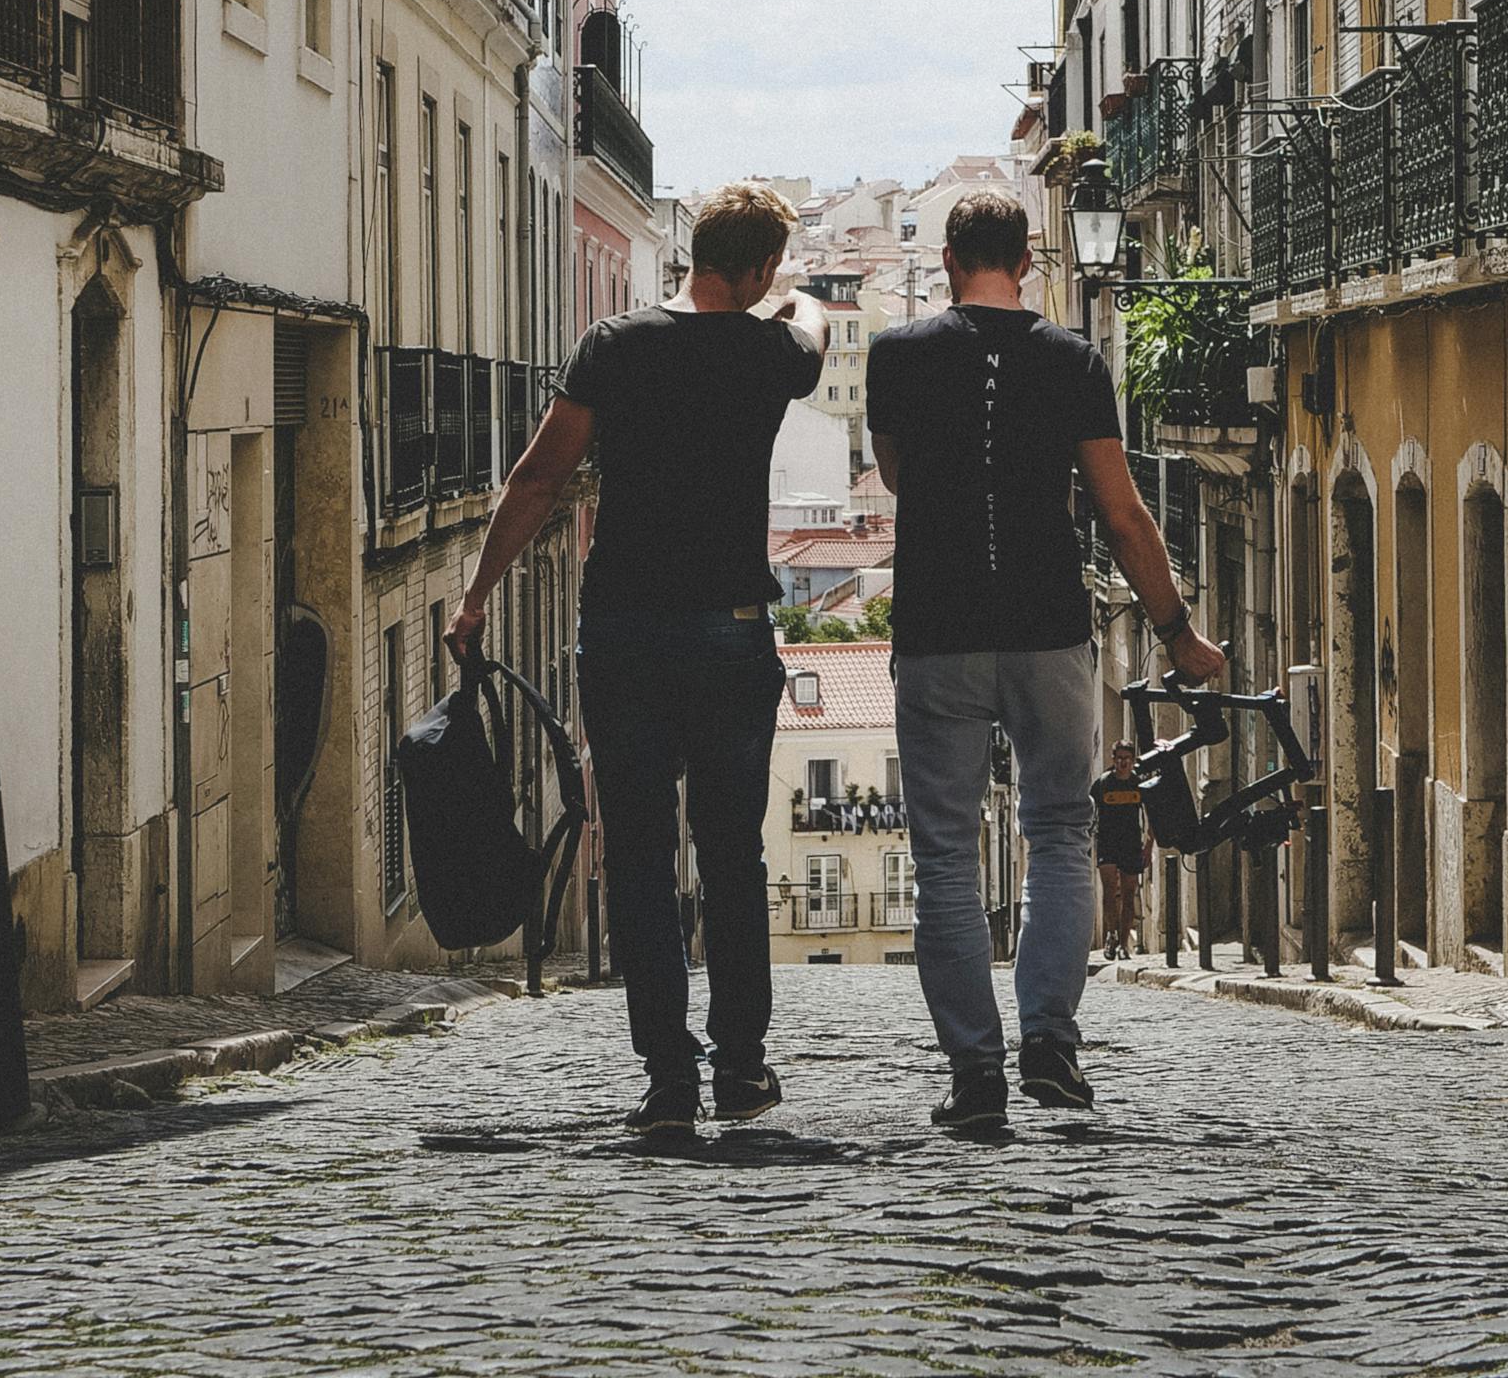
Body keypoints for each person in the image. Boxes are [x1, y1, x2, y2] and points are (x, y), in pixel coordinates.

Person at [446, 183, 825, 1136]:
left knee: (641, 859)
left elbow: (537, 478)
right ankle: (741, 1067)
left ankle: (667, 1080)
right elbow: (813, 327)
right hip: (732, 630)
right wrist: (791, 298)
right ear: (757, 270)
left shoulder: (613, 347)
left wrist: (478, 595)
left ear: (692, 256)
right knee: (733, 856)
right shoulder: (770, 348)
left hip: (623, 630)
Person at [867, 191, 1225, 1131]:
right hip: (1050, 628)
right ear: (1028, 261)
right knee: (1061, 833)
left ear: (947, 259)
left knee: (945, 855)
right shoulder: (1074, 361)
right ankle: (1051, 1046)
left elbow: (899, 475)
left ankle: (975, 1074)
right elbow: (1121, 509)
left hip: (938, 630)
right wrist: (1177, 630)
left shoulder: (897, 354)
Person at [1090, 743, 1150, 960]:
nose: (1123, 762)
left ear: (1133, 760)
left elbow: (1151, 814)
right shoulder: (1103, 784)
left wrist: (1148, 845)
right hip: (1107, 842)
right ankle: (1111, 934)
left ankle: (1124, 944)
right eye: (1119, 758)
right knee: (1109, 889)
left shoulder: (1139, 784)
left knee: (1128, 893)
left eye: (1127, 758)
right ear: (1113, 758)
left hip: (1131, 843)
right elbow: (1089, 811)